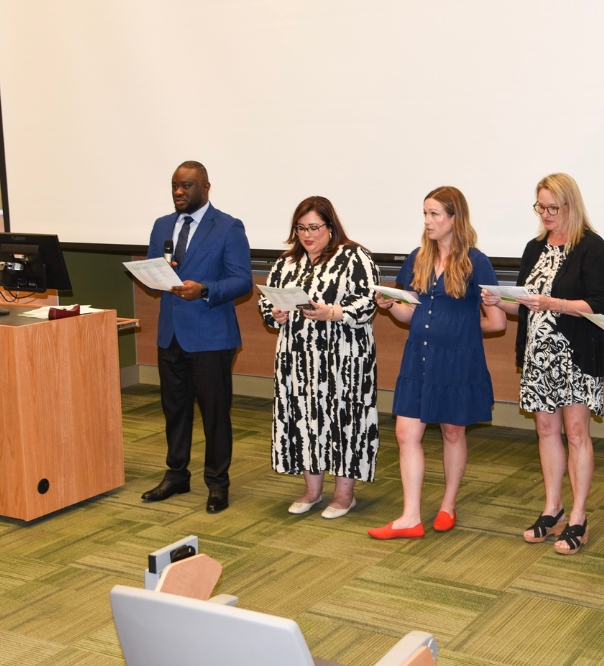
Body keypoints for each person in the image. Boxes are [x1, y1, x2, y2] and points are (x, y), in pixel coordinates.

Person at [482, 173, 604, 554]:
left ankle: (579, 517)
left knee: (576, 432)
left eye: (553, 207)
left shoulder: (592, 247)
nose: (546, 214)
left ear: (571, 205)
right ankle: (553, 509)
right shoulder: (534, 247)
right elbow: (525, 306)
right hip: (539, 356)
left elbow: (596, 306)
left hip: (575, 354)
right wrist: (498, 302)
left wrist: (553, 304)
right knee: (545, 430)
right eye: (540, 207)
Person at [368, 186, 505, 539]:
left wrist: (458, 326)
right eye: (425, 214)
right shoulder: (418, 257)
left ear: (454, 218)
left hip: (458, 360)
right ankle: (410, 516)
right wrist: (389, 304)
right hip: (419, 355)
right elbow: (406, 314)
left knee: (452, 430)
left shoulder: (477, 261)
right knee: (405, 433)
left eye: (435, 214)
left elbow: (498, 321)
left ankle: (447, 505)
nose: (427, 221)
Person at [258, 197, 380, 518]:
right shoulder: (286, 262)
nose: (307, 235)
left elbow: (368, 303)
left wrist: (333, 312)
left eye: (314, 227)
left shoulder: (354, 256)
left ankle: (344, 494)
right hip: (297, 359)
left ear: (330, 226)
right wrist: (275, 314)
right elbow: (266, 302)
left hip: (344, 360)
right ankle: (312, 491)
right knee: (304, 418)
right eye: (301, 228)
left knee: (343, 421)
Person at [141, 161, 253, 513]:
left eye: (186, 186)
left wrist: (203, 289)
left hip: (212, 336)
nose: (178, 192)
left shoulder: (228, 227)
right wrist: (155, 275)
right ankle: (176, 474)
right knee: (174, 410)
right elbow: (150, 268)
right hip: (170, 332)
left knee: (214, 412)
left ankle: (217, 483)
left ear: (205, 187)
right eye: (175, 185)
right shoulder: (162, 225)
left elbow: (242, 281)